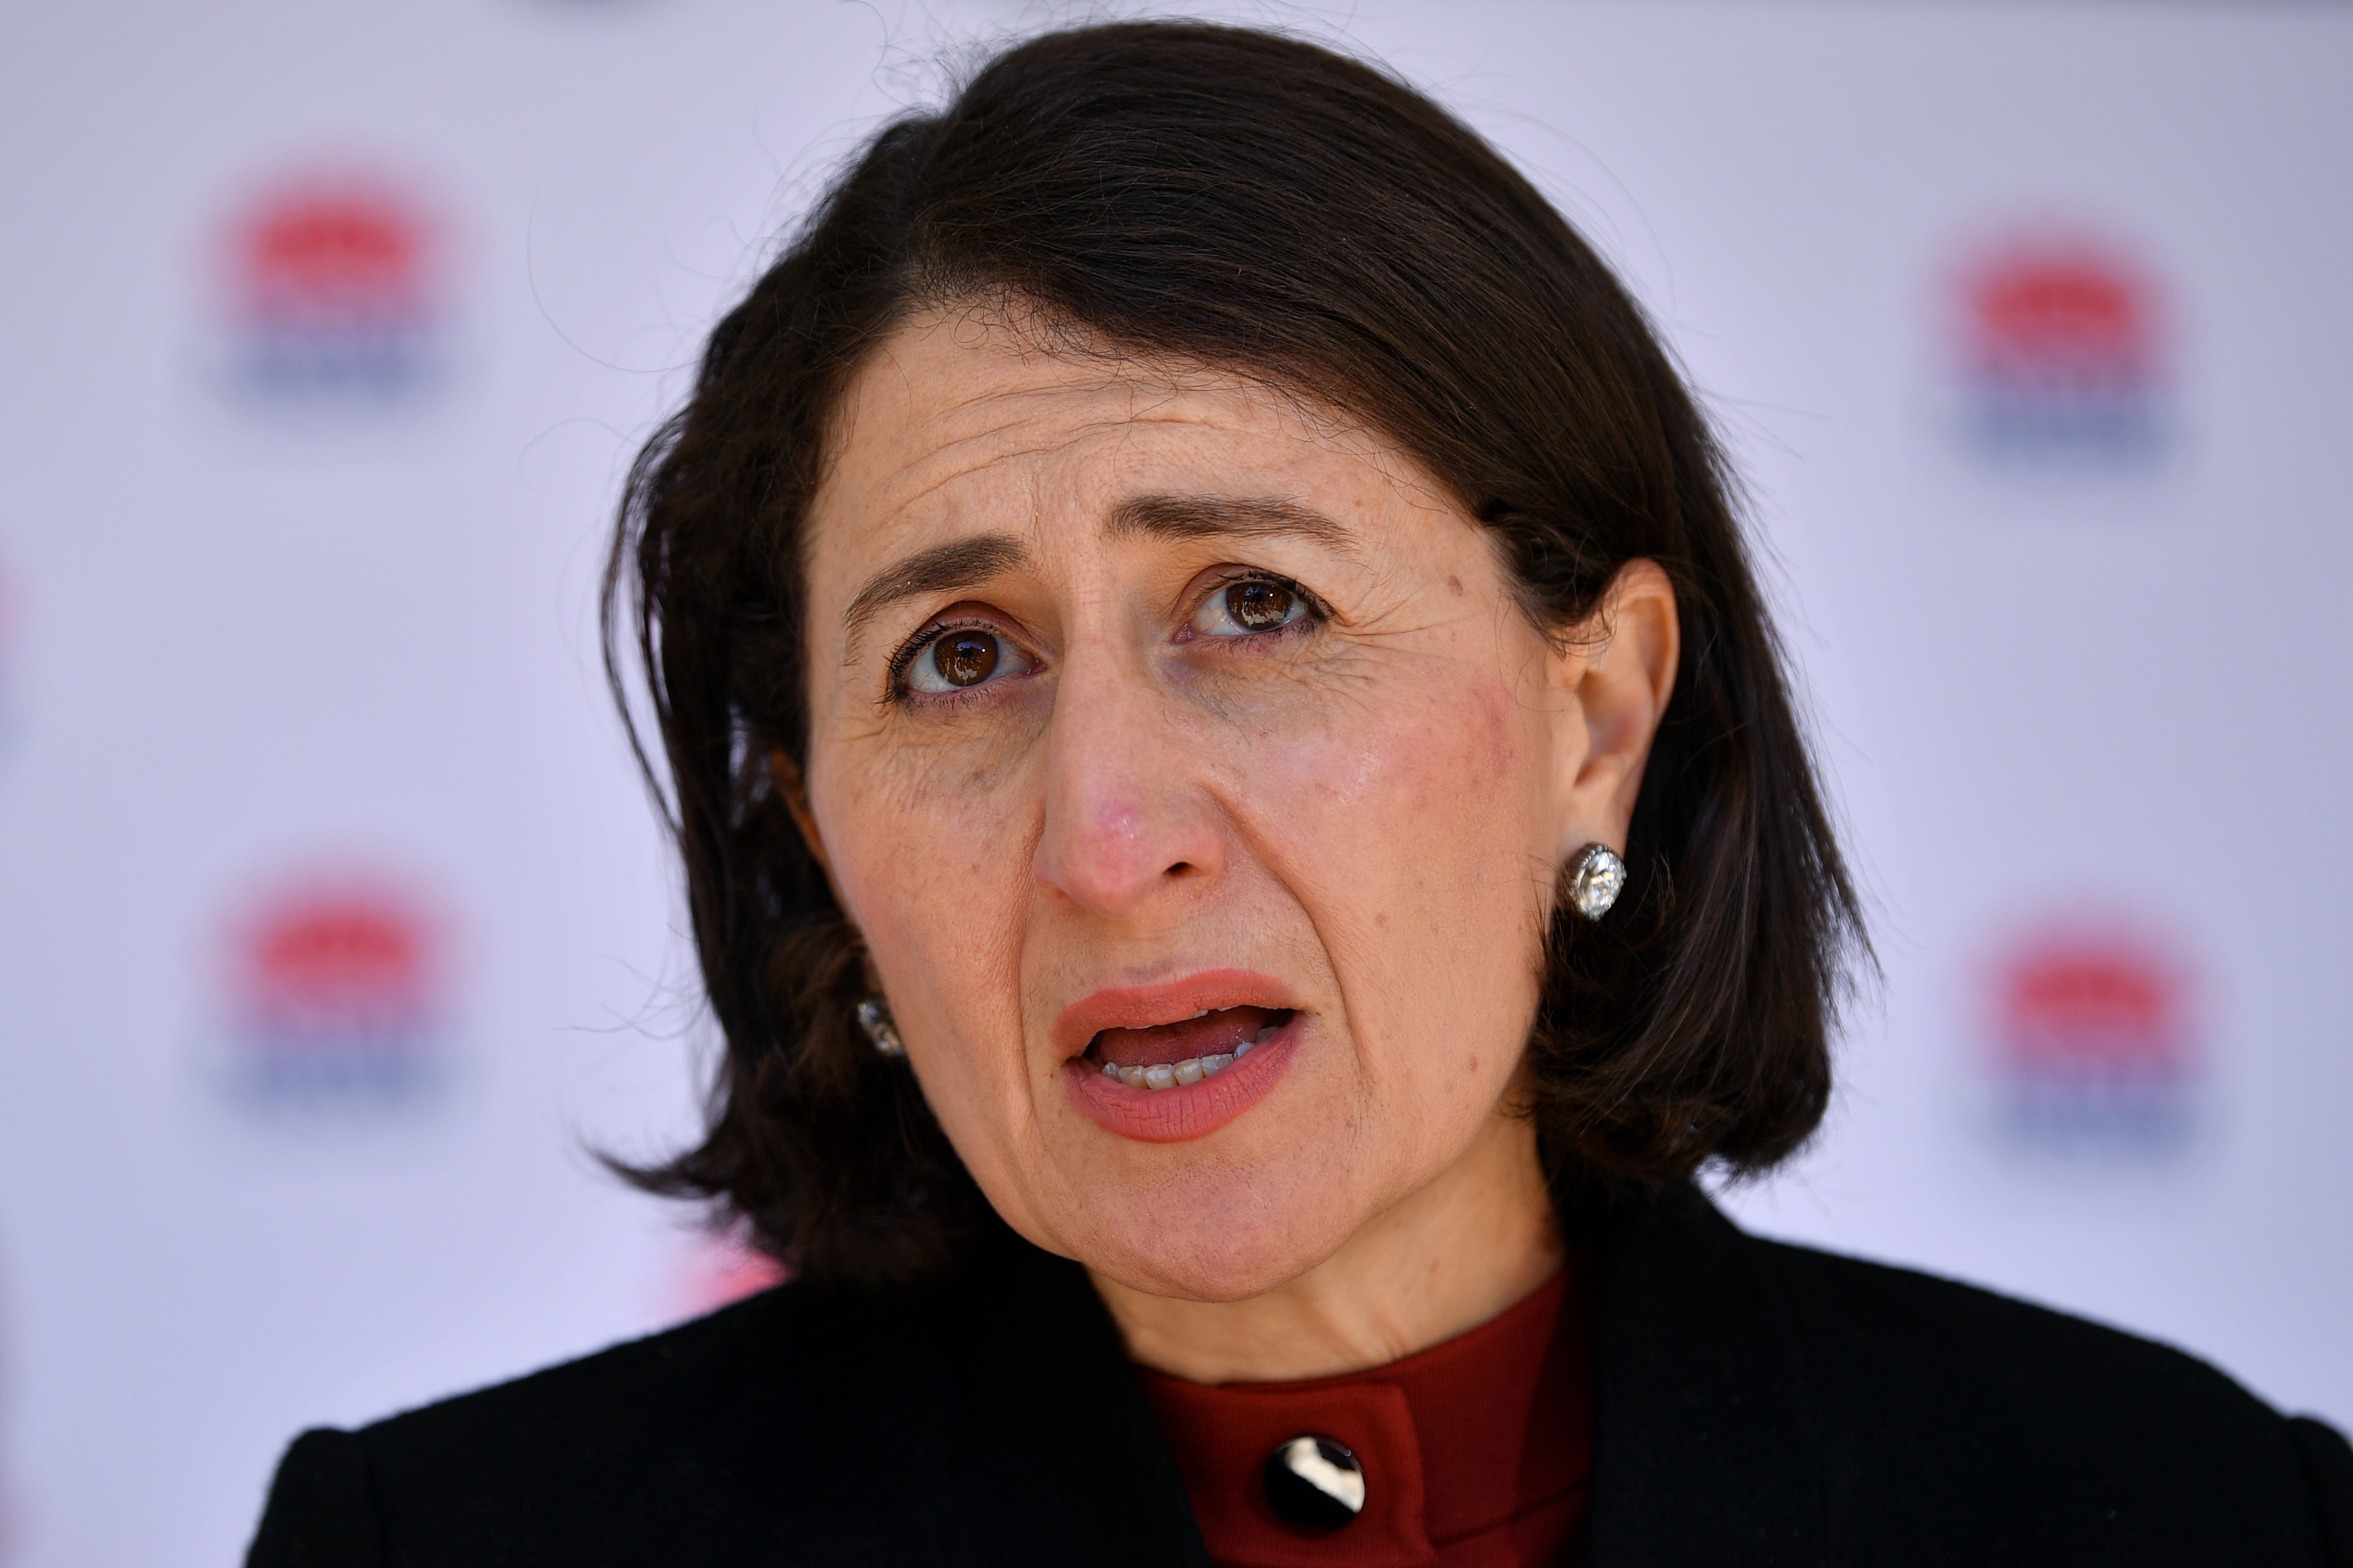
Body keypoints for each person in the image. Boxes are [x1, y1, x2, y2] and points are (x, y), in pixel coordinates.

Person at [246, 21, 2351, 1567]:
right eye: (956, 658)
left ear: (1594, 720)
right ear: (821, 841)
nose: (1105, 836)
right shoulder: (445, 1551)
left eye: (1254, 603)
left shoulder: (2190, 1523)